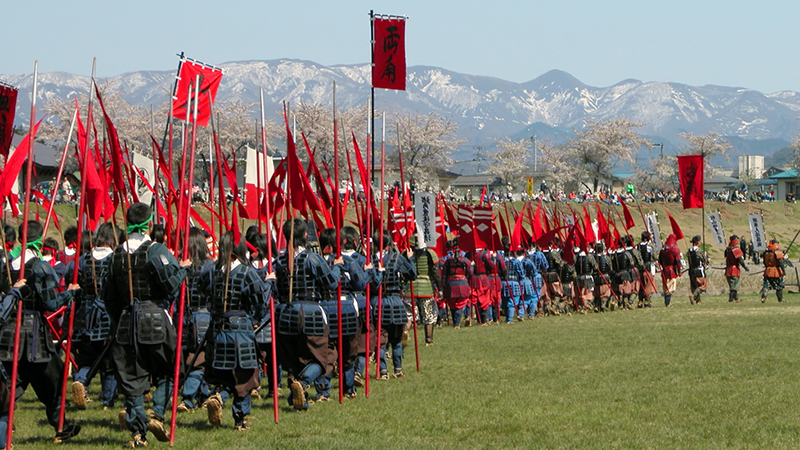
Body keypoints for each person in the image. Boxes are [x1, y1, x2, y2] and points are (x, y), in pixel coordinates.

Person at [103, 203, 190, 447]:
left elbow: (108, 297)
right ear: (149, 224)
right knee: (169, 369)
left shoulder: (115, 254)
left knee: (132, 379)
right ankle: (158, 412)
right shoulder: (155, 250)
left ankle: (138, 433)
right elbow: (171, 285)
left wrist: (119, 317)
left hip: (125, 322)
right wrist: (183, 270)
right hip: (154, 319)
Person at [0, 220, 82, 446]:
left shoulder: (6, 263)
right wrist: (70, 294)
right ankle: (61, 427)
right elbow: (51, 302)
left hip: (7, 332)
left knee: (11, 384)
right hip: (34, 334)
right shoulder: (39, 266)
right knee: (53, 381)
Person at [201, 231, 268, 430]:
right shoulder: (248, 273)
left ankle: (219, 397)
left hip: (217, 330)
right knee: (244, 378)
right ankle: (240, 420)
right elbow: (259, 301)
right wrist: (254, 321)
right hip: (240, 330)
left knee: (224, 376)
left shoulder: (212, 271)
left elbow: (202, 289)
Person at [274, 218, 341, 411]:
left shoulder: (279, 261)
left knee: (295, 360)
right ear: (305, 235)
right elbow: (331, 283)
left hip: (286, 314)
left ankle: (299, 401)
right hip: (310, 312)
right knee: (324, 358)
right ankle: (302, 385)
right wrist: (336, 266)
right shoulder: (312, 258)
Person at [68, 223, 119, 411]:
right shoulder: (114, 259)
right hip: (107, 314)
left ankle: (81, 381)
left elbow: (71, 277)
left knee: (87, 358)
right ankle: (107, 401)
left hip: (85, 314)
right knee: (109, 361)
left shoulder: (82, 259)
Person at [176, 228, 215, 414]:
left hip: (183, 317)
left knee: (192, 358)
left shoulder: (179, 264)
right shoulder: (209, 266)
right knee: (200, 360)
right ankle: (189, 397)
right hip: (202, 316)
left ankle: (203, 395)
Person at [371, 231, 416, 378]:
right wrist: (410, 259)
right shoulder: (397, 258)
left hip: (379, 302)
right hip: (395, 302)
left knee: (381, 339)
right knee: (396, 339)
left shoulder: (370, 259)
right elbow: (412, 275)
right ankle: (398, 369)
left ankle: (383, 371)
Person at [410, 238, 442, 343]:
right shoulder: (430, 253)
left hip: (411, 286)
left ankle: (405, 334)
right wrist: (440, 288)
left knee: (409, 315)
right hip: (426, 286)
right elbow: (435, 272)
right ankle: (429, 340)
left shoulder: (407, 253)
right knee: (429, 315)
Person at [441, 241, 472, 328]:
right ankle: (457, 323)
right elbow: (470, 272)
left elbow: (444, 274)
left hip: (450, 284)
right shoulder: (465, 261)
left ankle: (456, 323)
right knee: (460, 303)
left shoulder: (448, 261)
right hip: (463, 283)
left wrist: (443, 286)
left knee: (453, 304)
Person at [658, 234, 682, 307]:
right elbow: (678, 262)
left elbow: (659, 261)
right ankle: (667, 302)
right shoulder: (674, 250)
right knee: (671, 287)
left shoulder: (662, 250)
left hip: (665, 270)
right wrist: (679, 271)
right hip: (672, 271)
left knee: (666, 287)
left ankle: (667, 302)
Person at [724, 235, 749, 303]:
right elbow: (740, 260)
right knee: (734, 285)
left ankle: (736, 298)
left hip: (728, 269)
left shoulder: (728, 249)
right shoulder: (736, 249)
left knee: (733, 284)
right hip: (734, 269)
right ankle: (731, 297)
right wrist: (745, 267)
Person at [637, 232, 657, 308]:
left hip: (640, 268)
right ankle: (647, 302)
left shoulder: (637, 246)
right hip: (648, 267)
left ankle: (640, 300)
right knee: (649, 285)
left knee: (641, 285)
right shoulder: (650, 246)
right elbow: (655, 256)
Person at [687, 235, 708, 305]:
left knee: (694, 286)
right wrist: (705, 256)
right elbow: (704, 260)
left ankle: (698, 301)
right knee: (703, 285)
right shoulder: (699, 251)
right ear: (698, 242)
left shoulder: (689, 251)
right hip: (699, 270)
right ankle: (694, 296)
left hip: (691, 270)